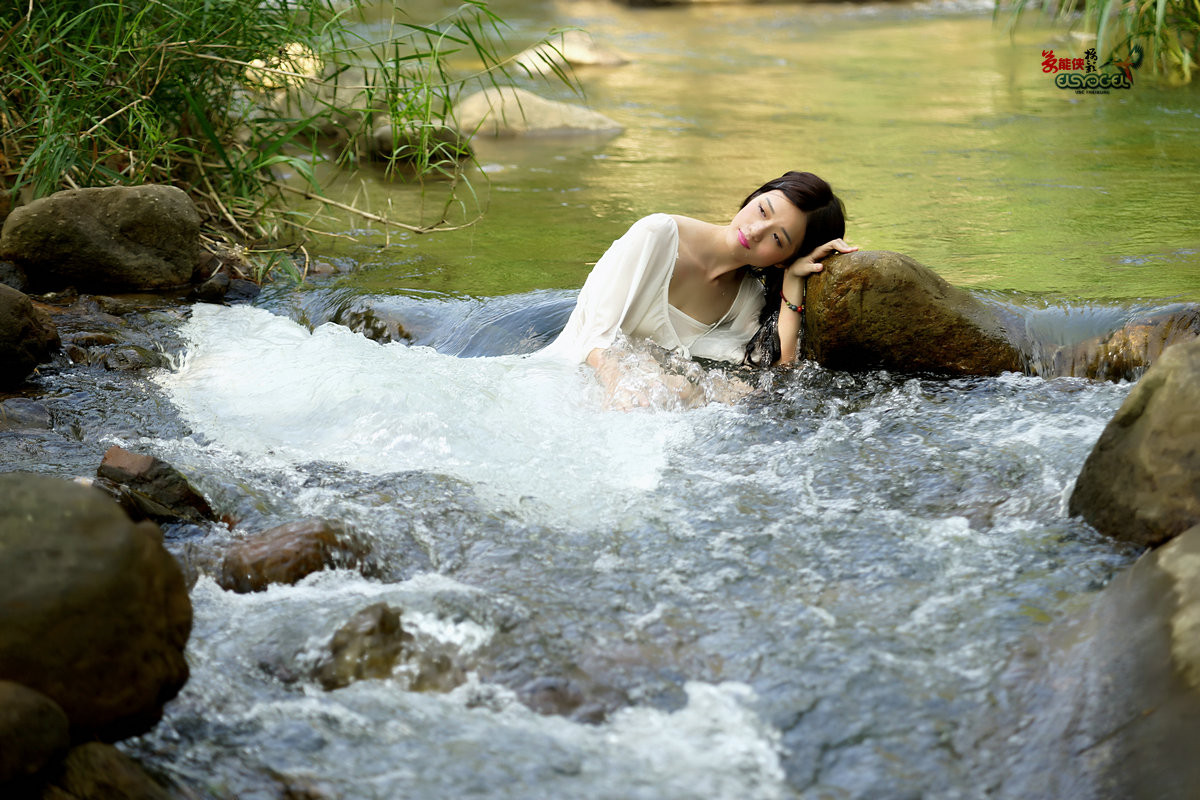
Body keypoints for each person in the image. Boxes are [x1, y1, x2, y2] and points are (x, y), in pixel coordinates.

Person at [544, 171, 856, 405]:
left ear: (782, 260)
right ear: (754, 196)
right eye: (763, 210)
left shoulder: (746, 298)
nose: (757, 230)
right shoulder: (657, 236)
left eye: (778, 239)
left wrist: (793, 282)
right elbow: (594, 341)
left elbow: (776, 376)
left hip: (643, 411)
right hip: (565, 384)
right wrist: (626, 390)